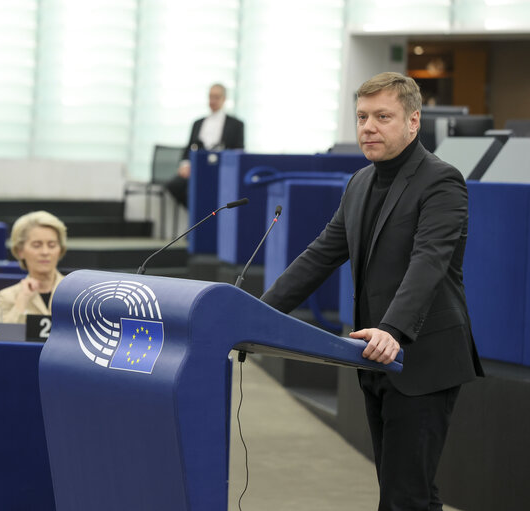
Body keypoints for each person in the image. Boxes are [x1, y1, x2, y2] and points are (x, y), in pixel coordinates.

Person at [260, 72, 483, 511]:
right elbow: (320, 255)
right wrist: (253, 311)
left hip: (422, 361)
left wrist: (393, 329)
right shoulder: (359, 183)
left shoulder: (442, 181)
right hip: (374, 358)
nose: (368, 127)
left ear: (414, 122)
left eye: (383, 116)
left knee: (405, 497)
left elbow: (429, 262)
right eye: (362, 116)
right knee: (407, 492)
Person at [165, 83, 245, 207]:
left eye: (216, 97)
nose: (212, 101)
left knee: (214, 190)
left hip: (220, 169)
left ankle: (206, 212)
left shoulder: (236, 124)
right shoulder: (198, 123)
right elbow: (189, 147)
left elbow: (239, 151)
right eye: (210, 97)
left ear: (224, 99)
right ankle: (198, 212)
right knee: (176, 185)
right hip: (197, 168)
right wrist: (185, 164)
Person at [0, 211, 66, 324]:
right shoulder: (6, 297)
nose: (45, 252)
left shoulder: (76, 292)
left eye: (51, 245)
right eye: (36, 245)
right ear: (20, 251)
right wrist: (22, 300)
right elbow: (4, 336)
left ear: (60, 250)